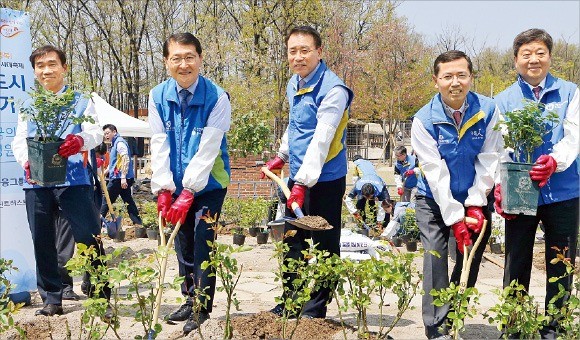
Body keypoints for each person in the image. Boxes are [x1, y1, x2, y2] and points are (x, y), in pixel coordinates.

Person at [11, 45, 112, 318]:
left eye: (52, 64)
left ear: (64, 68)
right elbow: (20, 139)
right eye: (40, 66)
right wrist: (27, 161)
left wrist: (80, 140)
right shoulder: (30, 104)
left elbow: (94, 132)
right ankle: (51, 299)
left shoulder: (81, 100)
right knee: (42, 240)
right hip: (37, 183)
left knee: (89, 237)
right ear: (34, 71)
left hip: (74, 181)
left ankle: (101, 297)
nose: (47, 70)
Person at [260, 25, 353, 319]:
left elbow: (322, 139)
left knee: (325, 242)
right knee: (292, 239)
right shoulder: (294, 83)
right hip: (298, 178)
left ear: (319, 52)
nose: (298, 57)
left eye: (305, 50)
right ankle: (291, 301)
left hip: (325, 178)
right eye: (292, 51)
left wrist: (302, 181)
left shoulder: (334, 90)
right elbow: (296, 126)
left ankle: (316, 308)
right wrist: (282, 156)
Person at [493, 28, 579, 338]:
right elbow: (498, 147)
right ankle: (513, 327)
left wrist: (555, 161)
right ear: (515, 60)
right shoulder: (502, 100)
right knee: (516, 261)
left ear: (550, 57)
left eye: (540, 53)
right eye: (526, 54)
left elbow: (574, 135)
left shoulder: (570, 92)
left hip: (564, 191)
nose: (534, 59)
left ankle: (554, 329)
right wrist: (500, 184)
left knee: (561, 261)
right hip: (521, 191)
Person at [410, 50, 501, 339]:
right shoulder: (423, 120)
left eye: (461, 75)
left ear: (471, 77)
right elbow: (434, 172)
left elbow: (490, 157)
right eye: (447, 76)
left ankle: (455, 314)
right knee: (435, 255)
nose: (455, 82)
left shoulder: (488, 110)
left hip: (474, 195)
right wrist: (453, 214)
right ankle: (436, 327)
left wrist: (475, 204)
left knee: (469, 256)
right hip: (433, 200)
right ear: (436, 80)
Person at [148, 32, 231, 334]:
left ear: (200, 58)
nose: (183, 64)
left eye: (189, 57)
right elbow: (158, 144)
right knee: (181, 243)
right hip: (176, 183)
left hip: (209, 184)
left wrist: (189, 191)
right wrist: (164, 187)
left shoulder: (217, 97)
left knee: (202, 242)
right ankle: (189, 297)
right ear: (166, 61)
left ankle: (202, 307)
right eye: (176, 58)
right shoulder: (157, 96)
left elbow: (209, 148)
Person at [100, 124, 143, 228]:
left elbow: (125, 159)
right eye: (105, 134)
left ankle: (98, 221)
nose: (106, 136)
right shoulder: (115, 143)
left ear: (114, 132)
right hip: (120, 177)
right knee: (128, 200)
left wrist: (123, 177)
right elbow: (116, 160)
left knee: (107, 200)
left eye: (108, 133)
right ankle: (138, 223)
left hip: (119, 178)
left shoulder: (119, 143)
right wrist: (107, 170)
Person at [344, 155, 391, 230]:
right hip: (364, 181)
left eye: (370, 197)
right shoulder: (358, 186)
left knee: (387, 205)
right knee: (360, 204)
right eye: (367, 197)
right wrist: (354, 212)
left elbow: (381, 207)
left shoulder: (380, 188)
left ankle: (385, 225)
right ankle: (362, 223)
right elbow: (347, 199)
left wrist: (379, 222)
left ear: (374, 193)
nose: (369, 199)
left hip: (377, 182)